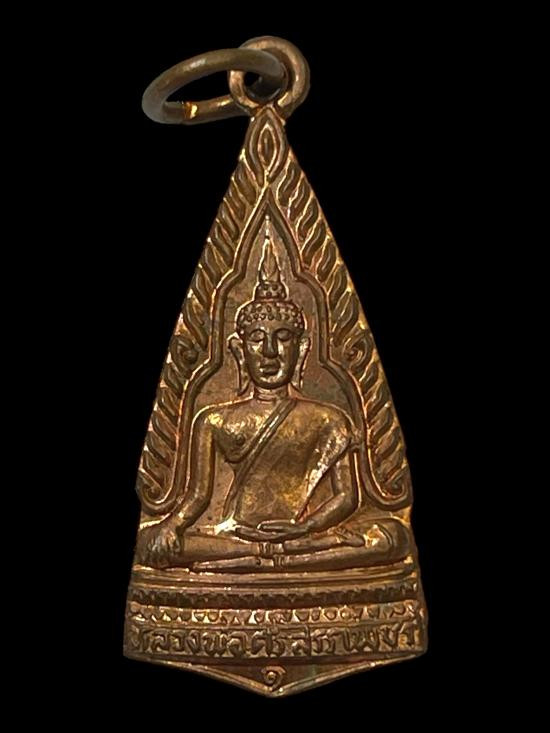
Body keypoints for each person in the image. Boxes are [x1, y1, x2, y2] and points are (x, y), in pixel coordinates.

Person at [137, 219, 409, 571]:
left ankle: (268, 558)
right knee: (151, 544)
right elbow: (199, 496)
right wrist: (172, 525)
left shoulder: (329, 419)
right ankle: (268, 556)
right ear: (238, 350)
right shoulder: (213, 420)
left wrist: (305, 527)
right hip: (235, 536)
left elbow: (347, 497)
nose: (269, 352)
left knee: (392, 536)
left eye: (283, 337)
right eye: (256, 339)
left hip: (301, 536)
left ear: (302, 348)